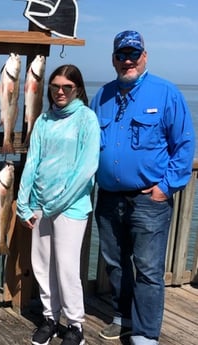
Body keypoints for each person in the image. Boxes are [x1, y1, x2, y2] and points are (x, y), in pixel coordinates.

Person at [91, 30, 195, 345]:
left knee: (149, 270)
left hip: (149, 200)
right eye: (121, 55)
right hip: (109, 198)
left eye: (133, 54)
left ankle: (146, 333)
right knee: (115, 263)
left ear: (144, 57)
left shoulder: (166, 93)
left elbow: (185, 145)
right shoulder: (103, 95)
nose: (127, 61)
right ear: (113, 59)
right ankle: (123, 317)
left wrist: (167, 187)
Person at [17, 64, 100, 345]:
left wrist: (58, 202)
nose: (60, 92)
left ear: (77, 89)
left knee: (66, 267)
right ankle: (50, 319)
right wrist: (23, 203)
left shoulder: (87, 119)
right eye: (55, 87)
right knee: (42, 265)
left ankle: (75, 325)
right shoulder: (43, 120)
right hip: (39, 205)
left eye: (67, 87)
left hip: (71, 208)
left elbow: (87, 167)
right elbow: (32, 163)